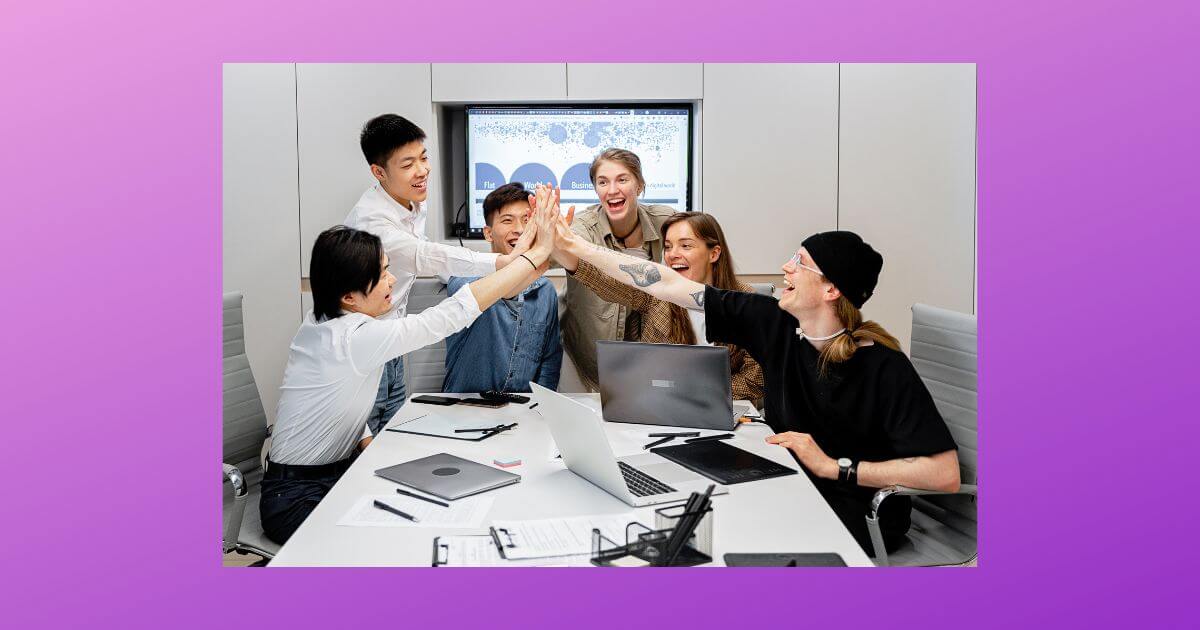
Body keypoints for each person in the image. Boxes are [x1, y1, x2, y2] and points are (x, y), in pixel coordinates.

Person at [550, 223, 960, 555]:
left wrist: (834, 466)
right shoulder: (776, 322)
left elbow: (944, 474)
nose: (785, 267)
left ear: (832, 290)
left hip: (849, 511)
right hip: (787, 484)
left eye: (800, 262)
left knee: (706, 541)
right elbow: (662, 283)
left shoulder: (882, 366)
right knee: (679, 517)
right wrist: (575, 246)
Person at [260, 191, 561, 545]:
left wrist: (525, 255)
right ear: (349, 297)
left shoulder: (323, 321)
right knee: (401, 539)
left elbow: (332, 401)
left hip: (335, 472)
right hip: (295, 497)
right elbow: (446, 317)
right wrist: (535, 254)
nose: (392, 282)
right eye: (382, 275)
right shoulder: (353, 338)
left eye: (388, 269)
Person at [344, 114, 538, 434]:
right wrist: (500, 263)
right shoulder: (372, 220)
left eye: (423, 158)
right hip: (364, 347)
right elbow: (426, 257)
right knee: (364, 439)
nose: (422, 171)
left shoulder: (410, 199)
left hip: (392, 339)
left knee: (390, 433)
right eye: (407, 165)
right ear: (379, 172)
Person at [552, 210, 763, 400]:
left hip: (723, 409)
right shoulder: (658, 295)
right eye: (669, 246)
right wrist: (557, 245)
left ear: (714, 253)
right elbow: (604, 281)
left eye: (686, 245)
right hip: (660, 408)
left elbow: (756, 379)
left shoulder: (745, 300)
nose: (673, 254)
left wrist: (701, 393)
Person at [560, 148, 675, 389]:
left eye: (622, 179)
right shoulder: (583, 227)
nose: (612, 190)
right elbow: (553, 254)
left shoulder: (666, 221)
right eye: (603, 182)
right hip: (586, 362)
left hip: (647, 360)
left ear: (640, 185)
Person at [442, 182, 562, 393]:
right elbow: (500, 293)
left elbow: (549, 361)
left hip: (523, 413)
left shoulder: (545, 291)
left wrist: (540, 410)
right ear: (488, 233)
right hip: (463, 409)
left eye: (527, 220)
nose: (520, 230)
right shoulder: (464, 277)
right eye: (508, 221)